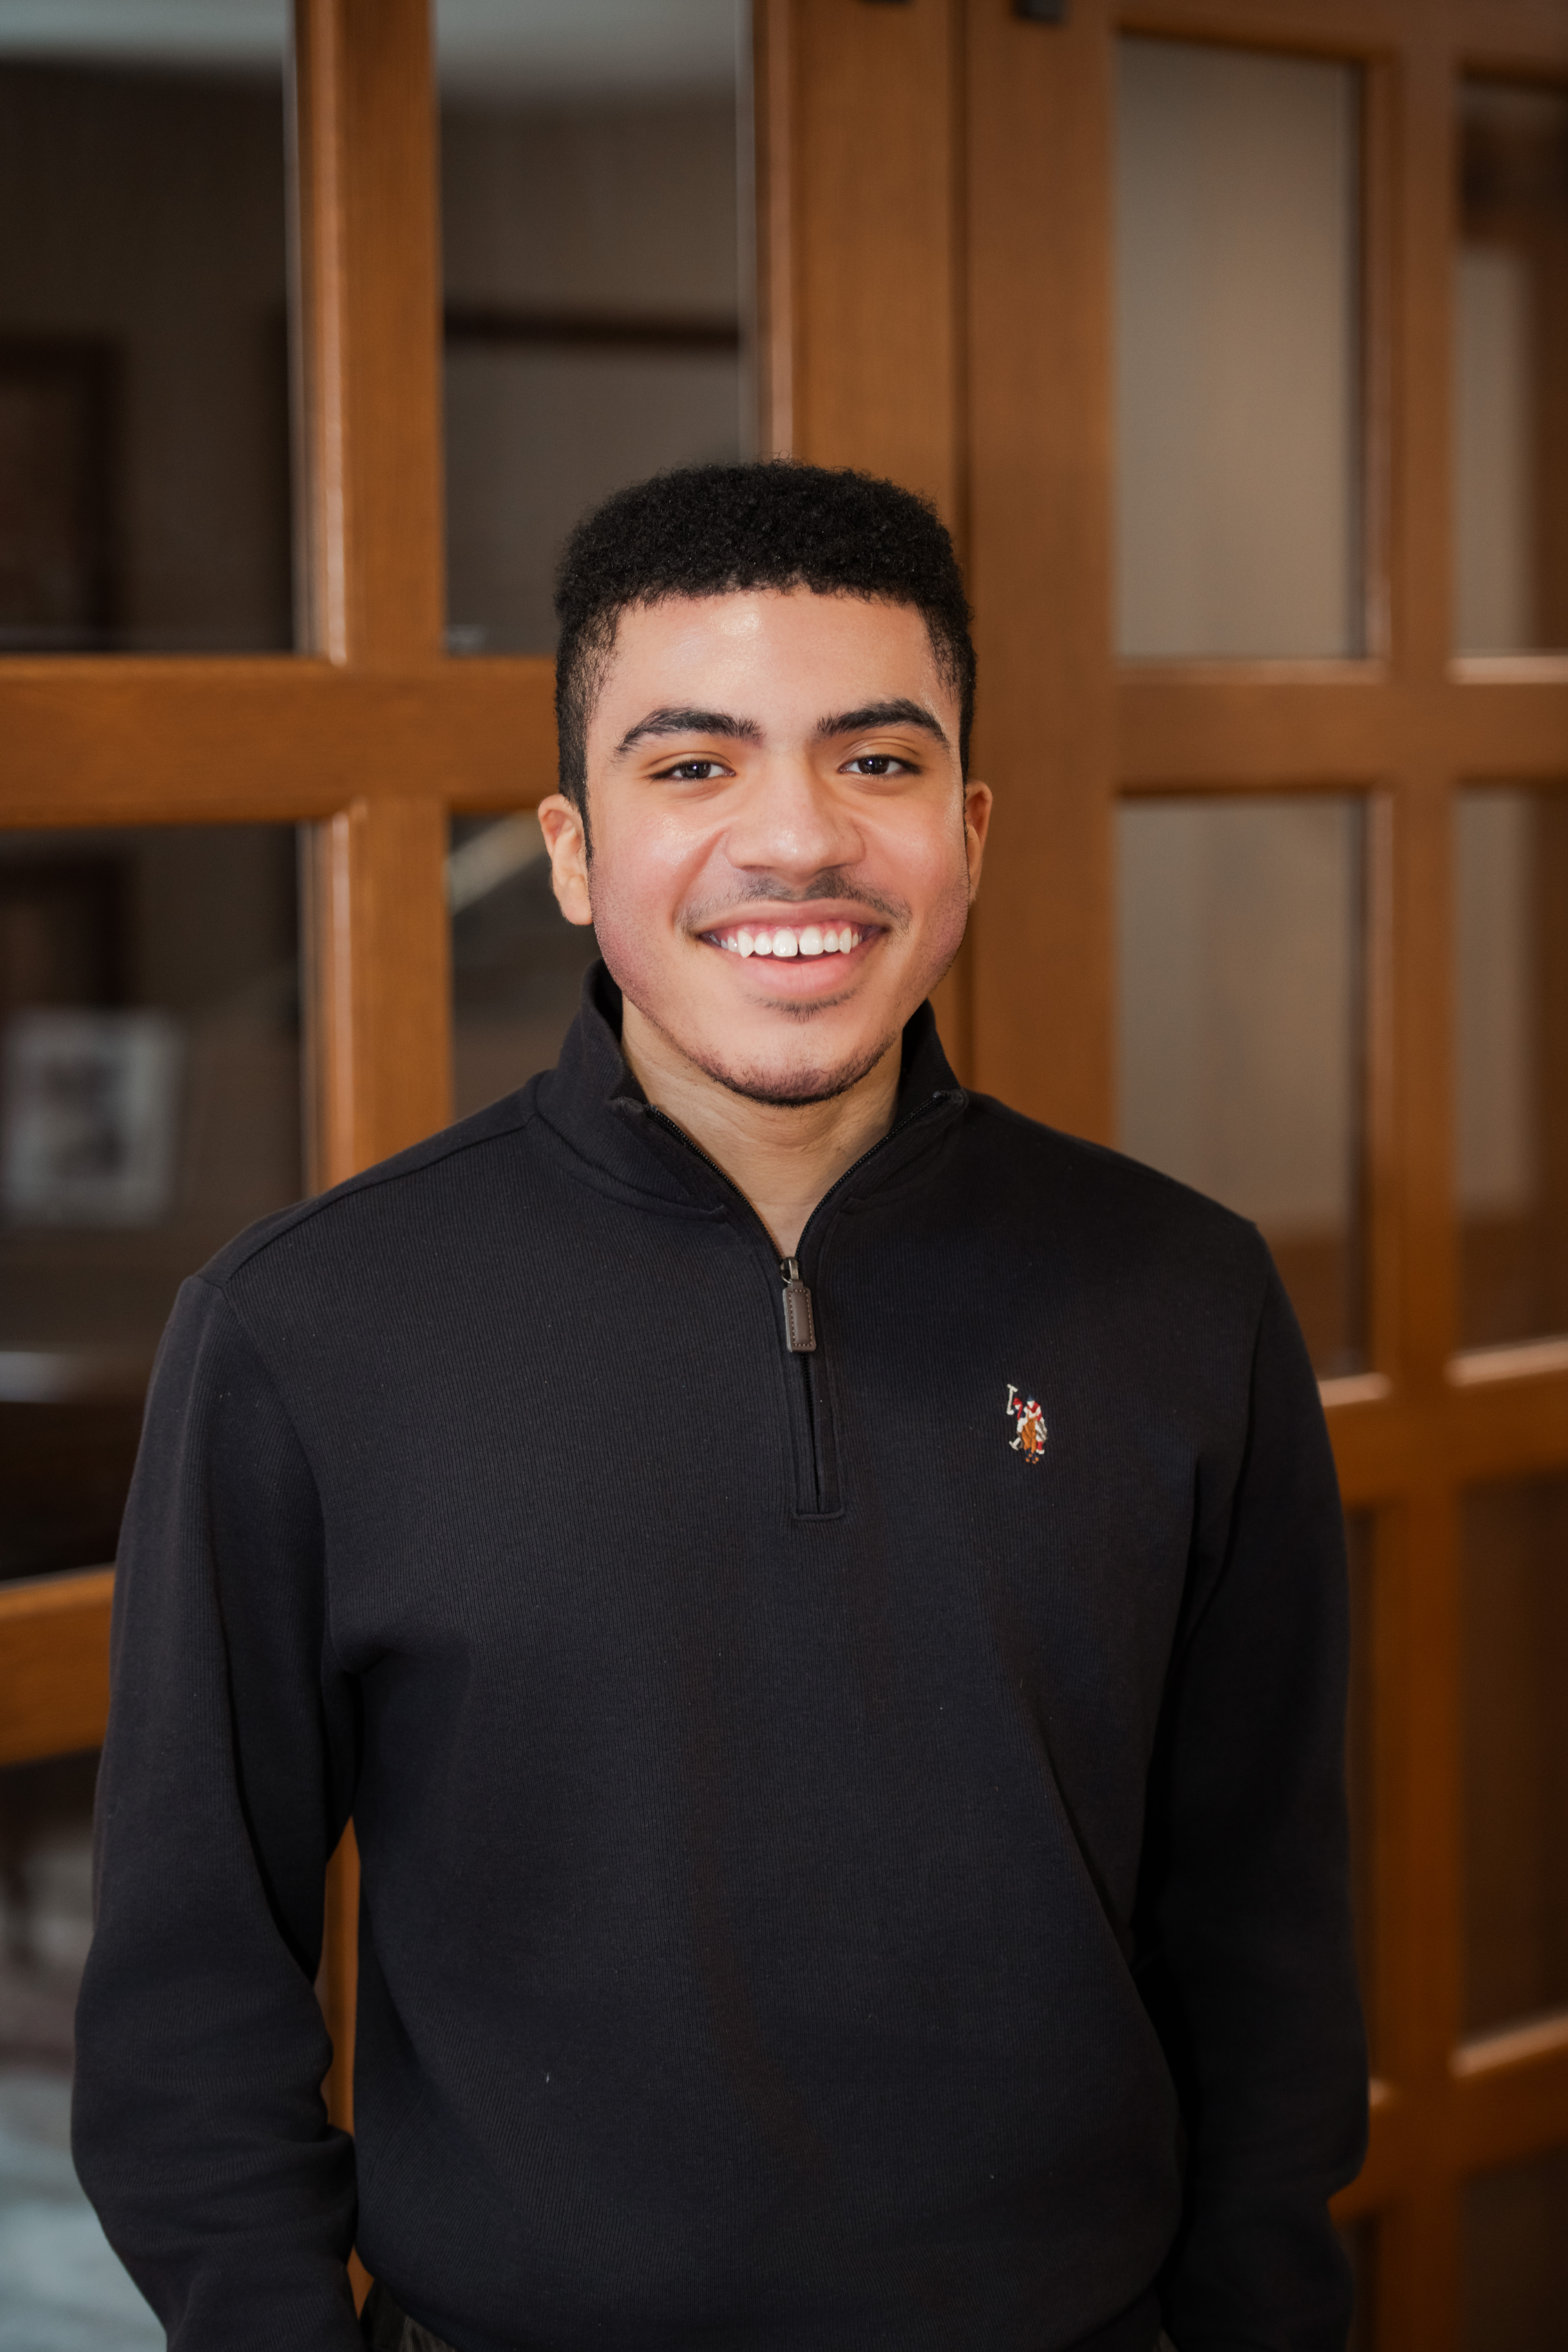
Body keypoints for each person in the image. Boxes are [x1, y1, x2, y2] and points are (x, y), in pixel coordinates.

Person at [74, 461, 1367, 2352]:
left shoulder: (1183, 1294)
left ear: (971, 825)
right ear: (576, 848)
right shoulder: (307, 1331)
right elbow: (190, 2003)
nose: (799, 841)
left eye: (878, 761)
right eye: (693, 767)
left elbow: (1265, 1952)